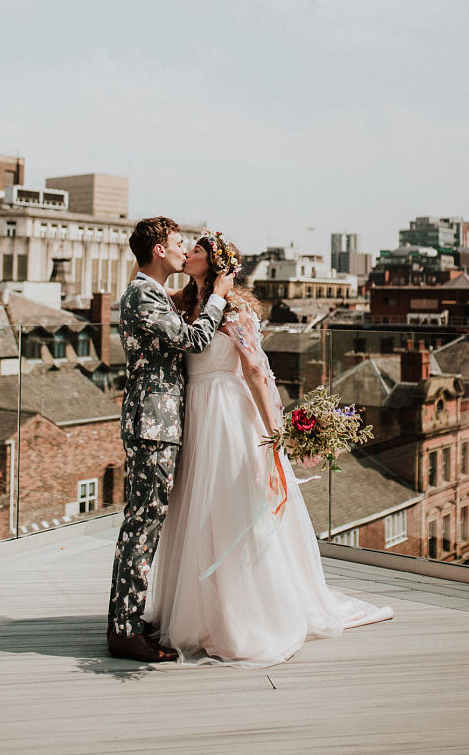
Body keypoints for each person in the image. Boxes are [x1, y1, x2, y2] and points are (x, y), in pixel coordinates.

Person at [144, 230, 393, 667]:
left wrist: (274, 430)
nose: (189, 254)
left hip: (226, 414)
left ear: (217, 263)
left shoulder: (234, 309)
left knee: (229, 506)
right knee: (196, 509)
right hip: (194, 411)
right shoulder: (183, 305)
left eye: (197, 250)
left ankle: (246, 612)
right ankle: (199, 611)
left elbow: (256, 370)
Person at [106, 217, 234, 662]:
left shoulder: (154, 293)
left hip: (158, 423)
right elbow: (195, 340)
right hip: (153, 424)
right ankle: (124, 630)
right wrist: (217, 298)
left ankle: (127, 617)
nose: (184, 249)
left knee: (145, 520)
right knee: (143, 523)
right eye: (179, 243)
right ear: (159, 250)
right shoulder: (142, 293)